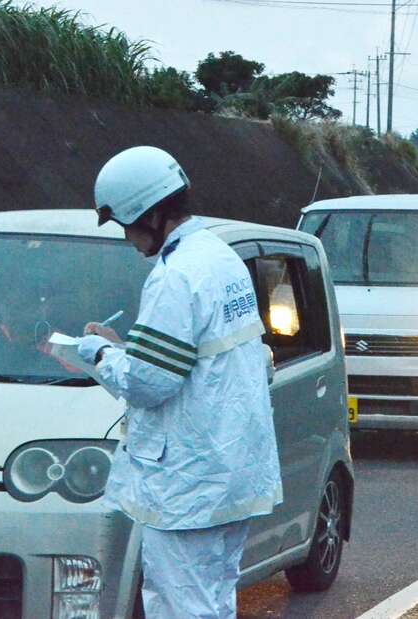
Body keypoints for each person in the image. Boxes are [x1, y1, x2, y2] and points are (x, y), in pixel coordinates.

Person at [75, 146, 282, 618]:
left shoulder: (175, 276)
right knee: (212, 601)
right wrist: (127, 351)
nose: (127, 237)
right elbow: (188, 361)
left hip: (190, 482)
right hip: (232, 470)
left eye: (124, 223)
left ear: (147, 213)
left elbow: (148, 383)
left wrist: (100, 353)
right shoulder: (219, 258)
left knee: (179, 605)